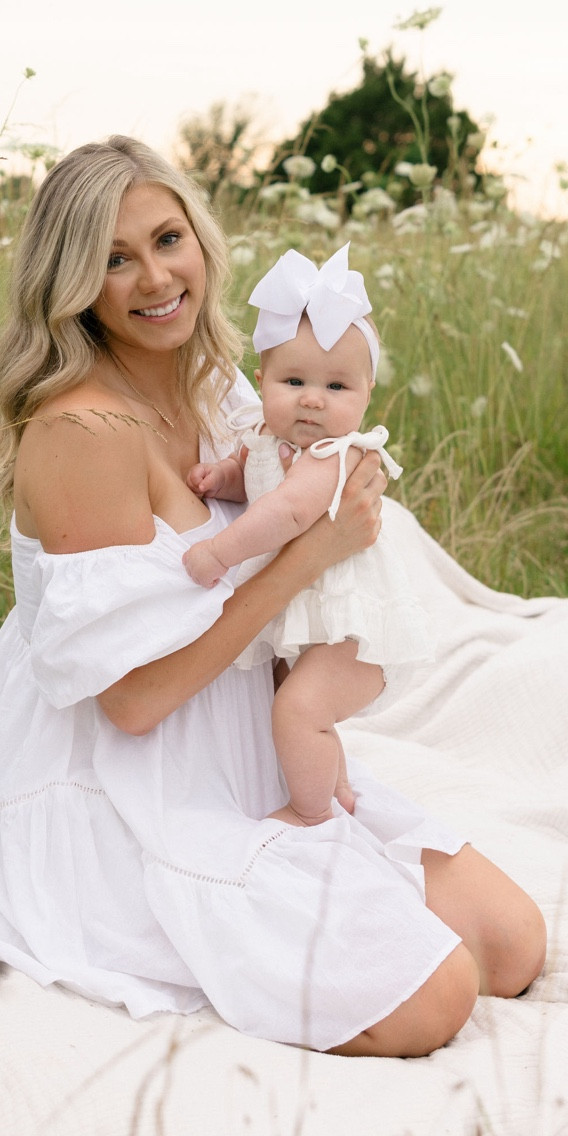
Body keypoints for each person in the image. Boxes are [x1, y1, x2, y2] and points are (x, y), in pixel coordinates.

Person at [0, 137, 544, 1056]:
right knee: (435, 997)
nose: (154, 278)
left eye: (167, 239)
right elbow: (131, 702)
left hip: (244, 740)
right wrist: (309, 553)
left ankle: (301, 855)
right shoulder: (82, 431)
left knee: (511, 943)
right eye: (114, 260)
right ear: (73, 285)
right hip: (127, 780)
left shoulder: (221, 390)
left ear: (201, 241)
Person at [183, 243, 433, 828]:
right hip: (312, 621)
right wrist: (221, 479)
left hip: (353, 630)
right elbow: (252, 479)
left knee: (298, 710)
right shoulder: (266, 440)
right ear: (261, 381)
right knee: (296, 705)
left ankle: (312, 814)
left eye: (337, 388)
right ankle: (337, 790)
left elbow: (289, 512)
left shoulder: (333, 455)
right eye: (293, 380)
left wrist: (219, 551)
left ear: (367, 394)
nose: (313, 399)